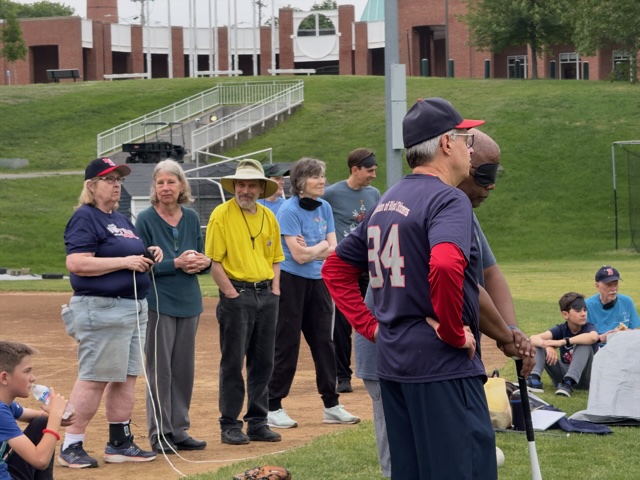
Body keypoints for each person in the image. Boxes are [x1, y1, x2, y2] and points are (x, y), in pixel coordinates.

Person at [322, 98, 522, 479]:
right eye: (465, 139)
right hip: (441, 368)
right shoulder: (448, 198)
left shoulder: (388, 200)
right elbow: (446, 264)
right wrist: (450, 331)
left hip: (395, 364)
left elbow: (335, 269)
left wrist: (374, 328)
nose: (469, 148)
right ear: (446, 144)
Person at [62, 157, 161, 468]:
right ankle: (71, 444)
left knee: (126, 378)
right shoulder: (85, 217)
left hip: (132, 308)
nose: (116, 184)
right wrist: (125, 262)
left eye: (119, 179)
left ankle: (119, 443)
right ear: (91, 186)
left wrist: (148, 254)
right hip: (101, 308)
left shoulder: (119, 219)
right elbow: (77, 263)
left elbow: (126, 253)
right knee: (95, 377)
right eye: (108, 179)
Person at [267, 157, 360, 429]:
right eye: (316, 177)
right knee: (287, 344)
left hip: (318, 282)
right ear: (300, 182)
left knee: (324, 343)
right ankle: (273, 406)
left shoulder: (326, 207)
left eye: (323, 176)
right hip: (290, 282)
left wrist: (314, 249)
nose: (322, 181)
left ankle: (331, 405)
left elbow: (334, 247)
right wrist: (316, 250)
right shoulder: (288, 210)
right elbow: (298, 256)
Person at [205, 159, 284, 446]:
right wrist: (231, 294)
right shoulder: (221, 215)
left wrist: (275, 290)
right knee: (233, 361)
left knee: (263, 361)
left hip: (266, 295)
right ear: (234, 186)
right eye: (241, 184)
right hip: (237, 294)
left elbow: (276, 259)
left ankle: (258, 421)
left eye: (252, 185)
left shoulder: (269, 217)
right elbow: (214, 262)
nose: (246, 190)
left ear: (261, 188)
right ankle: (229, 423)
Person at [136, 160, 209, 454]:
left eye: (171, 182)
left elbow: (202, 257)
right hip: (158, 302)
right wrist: (173, 264)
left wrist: (204, 263)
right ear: (154, 187)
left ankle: (179, 429)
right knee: (159, 370)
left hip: (189, 301)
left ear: (181, 186)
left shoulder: (191, 217)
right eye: (160, 183)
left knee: (183, 370)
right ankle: (160, 434)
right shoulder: (144, 219)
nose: (166, 188)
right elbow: (141, 265)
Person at [322, 148, 381, 393]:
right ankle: (342, 375)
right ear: (354, 169)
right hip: (346, 266)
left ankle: (377, 366)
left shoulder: (374, 194)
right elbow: (320, 216)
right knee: (343, 324)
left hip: (369, 267)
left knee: (373, 317)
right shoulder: (332, 194)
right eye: (369, 170)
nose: (373, 176)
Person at [0, 341, 69, 480]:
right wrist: (55, 415)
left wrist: (58, 415)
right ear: (4, 377)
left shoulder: (6, 405)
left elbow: (40, 417)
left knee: (42, 422)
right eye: (27, 371)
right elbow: (40, 460)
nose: (33, 378)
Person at [527, 292, 600, 397]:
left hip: (585, 378)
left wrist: (562, 341)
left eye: (584, 309)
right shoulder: (562, 328)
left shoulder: (588, 327)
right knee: (537, 344)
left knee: (584, 344)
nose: (583, 314)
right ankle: (534, 379)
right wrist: (546, 346)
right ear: (565, 314)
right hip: (563, 374)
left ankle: (568, 383)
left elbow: (593, 337)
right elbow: (533, 338)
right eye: (578, 310)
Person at [585, 266, 640, 344]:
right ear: (597, 286)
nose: (614, 289)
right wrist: (603, 338)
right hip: (598, 348)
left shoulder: (627, 302)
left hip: (623, 346)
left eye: (616, 284)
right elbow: (583, 337)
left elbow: (635, 331)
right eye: (609, 285)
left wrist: (629, 333)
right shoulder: (587, 305)